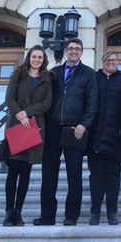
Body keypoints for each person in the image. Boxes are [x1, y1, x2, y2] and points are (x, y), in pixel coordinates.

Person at [34, 38, 98, 226]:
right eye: (70, 48)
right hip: (53, 127)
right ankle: (47, 216)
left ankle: (71, 216)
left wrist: (84, 125)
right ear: (66, 50)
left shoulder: (88, 74)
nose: (73, 51)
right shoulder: (54, 72)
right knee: (49, 174)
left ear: (81, 51)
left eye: (77, 49)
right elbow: (44, 97)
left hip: (74, 128)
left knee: (74, 174)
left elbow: (93, 102)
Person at [3, 45, 53, 226]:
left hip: (34, 129)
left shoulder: (47, 79)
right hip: (17, 127)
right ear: (29, 58)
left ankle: (18, 212)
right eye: (34, 57)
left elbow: (47, 103)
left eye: (40, 57)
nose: (37, 60)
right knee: (12, 174)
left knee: (25, 175)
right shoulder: (18, 75)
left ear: (43, 60)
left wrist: (28, 112)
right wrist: (20, 114)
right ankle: (9, 212)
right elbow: (9, 98)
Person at [86, 51, 121, 225]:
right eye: (108, 60)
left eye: (114, 60)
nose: (111, 62)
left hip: (116, 138)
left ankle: (112, 212)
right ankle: (95, 212)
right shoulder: (94, 79)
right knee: (96, 177)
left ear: (118, 63)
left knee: (113, 177)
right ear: (103, 62)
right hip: (95, 136)